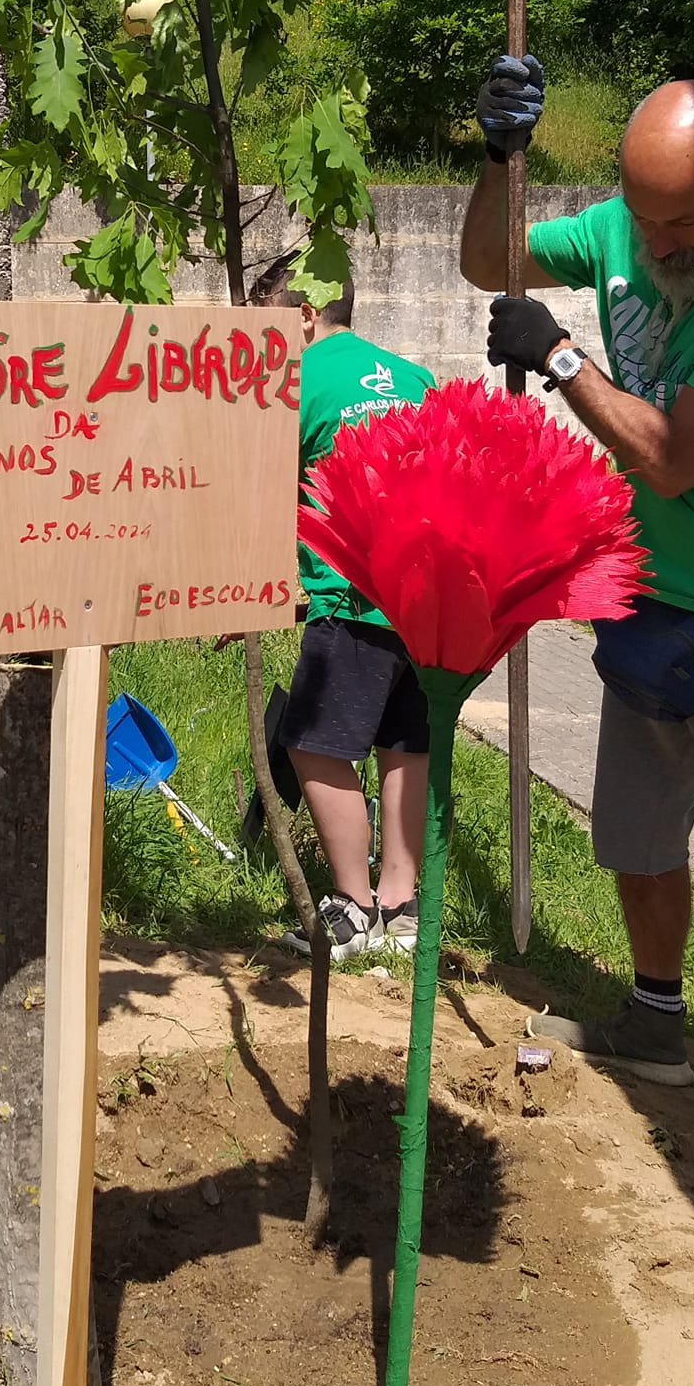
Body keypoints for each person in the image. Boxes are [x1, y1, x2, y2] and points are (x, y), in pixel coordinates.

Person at [462, 57, 694, 1199]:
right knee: (637, 839)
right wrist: (496, 156)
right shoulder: (618, 233)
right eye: (644, 217)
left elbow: (673, 459)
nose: (657, 242)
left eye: (681, 221)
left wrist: (557, 357)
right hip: (648, 596)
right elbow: (488, 261)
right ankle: (654, 1022)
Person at [247, 257, 435, 961]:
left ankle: (354, 906)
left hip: (350, 594)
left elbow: (268, 495)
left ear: (303, 315)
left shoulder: (293, 384)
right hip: (425, 603)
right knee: (404, 742)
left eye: (267, 327)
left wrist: (246, 591)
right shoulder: (415, 378)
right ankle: (402, 906)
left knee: (313, 741)